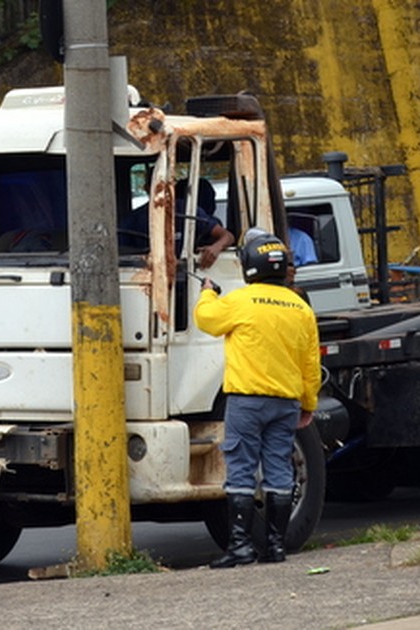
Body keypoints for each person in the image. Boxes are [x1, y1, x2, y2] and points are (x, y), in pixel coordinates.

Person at [194, 228, 320, 568]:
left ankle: (241, 547)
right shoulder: (300, 306)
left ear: (250, 265)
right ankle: (276, 547)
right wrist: (308, 403)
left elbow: (207, 320)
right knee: (279, 469)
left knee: (241, 471)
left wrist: (207, 292)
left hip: (247, 401)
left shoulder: (240, 301)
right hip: (286, 403)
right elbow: (311, 363)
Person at [121, 178, 235, 268]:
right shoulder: (135, 218)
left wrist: (216, 248)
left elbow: (228, 236)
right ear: (147, 188)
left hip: (190, 274)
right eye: (156, 186)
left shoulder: (185, 209)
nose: (160, 192)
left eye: (163, 186)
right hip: (150, 277)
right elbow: (119, 249)